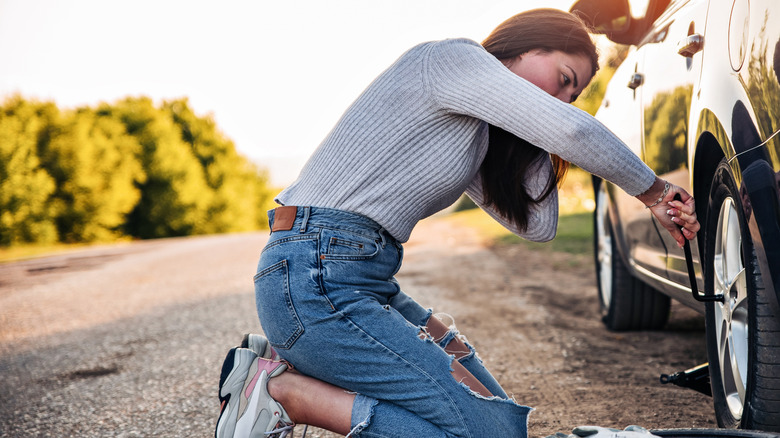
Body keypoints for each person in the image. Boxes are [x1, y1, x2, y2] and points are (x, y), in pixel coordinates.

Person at [215, 8, 700, 438]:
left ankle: (296, 374)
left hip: (357, 278)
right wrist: (654, 191)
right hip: (315, 276)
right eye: (564, 77)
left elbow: (538, 224)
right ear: (526, 45)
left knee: (503, 422)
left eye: (571, 94)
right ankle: (284, 392)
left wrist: (533, 126)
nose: (563, 98)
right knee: (486, 435)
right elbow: (572, 128)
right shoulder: (452, 60)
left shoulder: (472, 132)